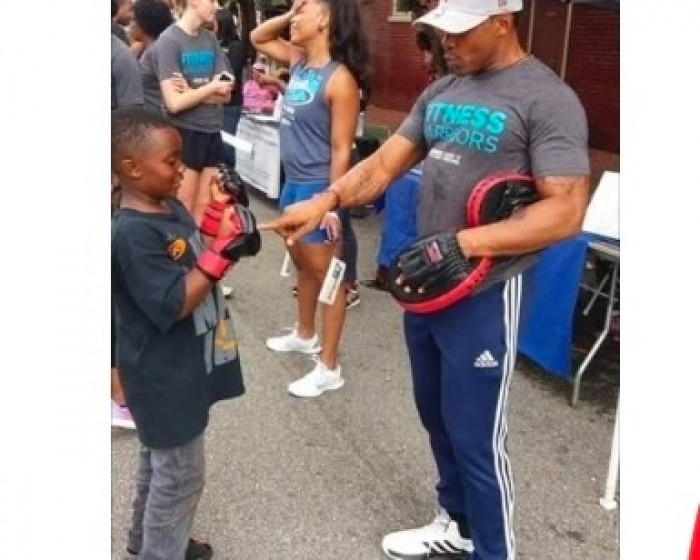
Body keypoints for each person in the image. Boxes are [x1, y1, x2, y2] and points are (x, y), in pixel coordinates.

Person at [259, 0, 591, 558]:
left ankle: (494, 550)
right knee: (436, 417)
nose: (447, 43)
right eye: (441, 32)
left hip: (487, 290)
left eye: (459, 32)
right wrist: (326, 200)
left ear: (502, 23)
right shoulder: (443, 89)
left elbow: (566, 211)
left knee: (477, 438)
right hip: (429, 281)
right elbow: (382, 164)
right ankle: (457, 525)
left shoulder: (547, 98)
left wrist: (465, 243)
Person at [112, 106, 258, 559]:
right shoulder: (131, 234)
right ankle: (162, 550)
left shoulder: (167, 207)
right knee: (179, 477)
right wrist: (222, 256)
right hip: (162, 376)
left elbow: (190, 252)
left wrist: (218, 213)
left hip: (180, 367)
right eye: (171, 161)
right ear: (132, 168)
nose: (182, 169)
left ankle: (147, 541)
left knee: (158, 461)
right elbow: (175, 301)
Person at [251, 0, 369, 398]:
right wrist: (292, 14)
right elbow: (258, 37)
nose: (295, 15)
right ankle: (305, 334)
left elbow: (341, 150)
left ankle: (330, 366)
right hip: (293, 184)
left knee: (330, 278)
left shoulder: (340, 80)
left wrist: (332, 207)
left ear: (326, 18)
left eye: (303, 8)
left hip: (319, 189)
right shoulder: (299, 62)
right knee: (302, 263)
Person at [154, 0, 234, 224]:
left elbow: (227, 93)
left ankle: (197, 248)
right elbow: (174, 103)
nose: (216, 7)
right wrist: (211, 88)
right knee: (183, 208)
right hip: (185, 133)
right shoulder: (169, 40)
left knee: (206, 206)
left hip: (212, 130)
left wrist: (191, 92)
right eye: (211, 1)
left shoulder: (210, 40)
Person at [129, 0, 176, 112]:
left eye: (133, 20)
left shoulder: (156, 52)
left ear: (142, 25)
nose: (130, 25)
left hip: (157, 114)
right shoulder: (144, 50)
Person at [215, 7, 247, 168]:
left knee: (227, 145)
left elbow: (232, 72)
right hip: (215, 102)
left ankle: (229, 176)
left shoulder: (236, 46)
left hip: (231, 103)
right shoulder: (214, 44)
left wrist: (214, 83)